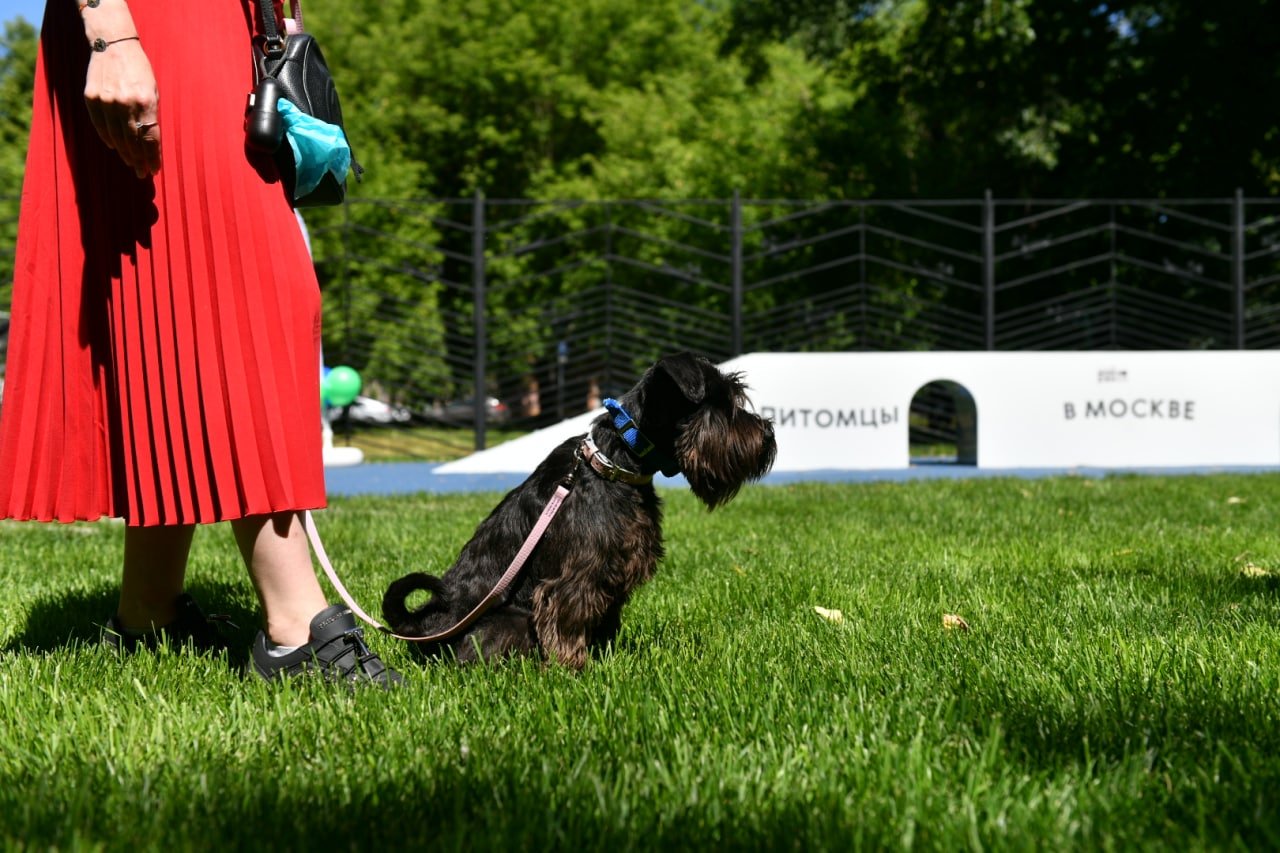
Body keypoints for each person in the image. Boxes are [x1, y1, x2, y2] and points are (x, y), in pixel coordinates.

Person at [0, 0, 399, 687]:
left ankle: (146, 609)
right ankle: (296, 628)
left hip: (224, 26)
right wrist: (110, 33)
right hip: (143, 26)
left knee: (167, 297)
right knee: (246, 297)